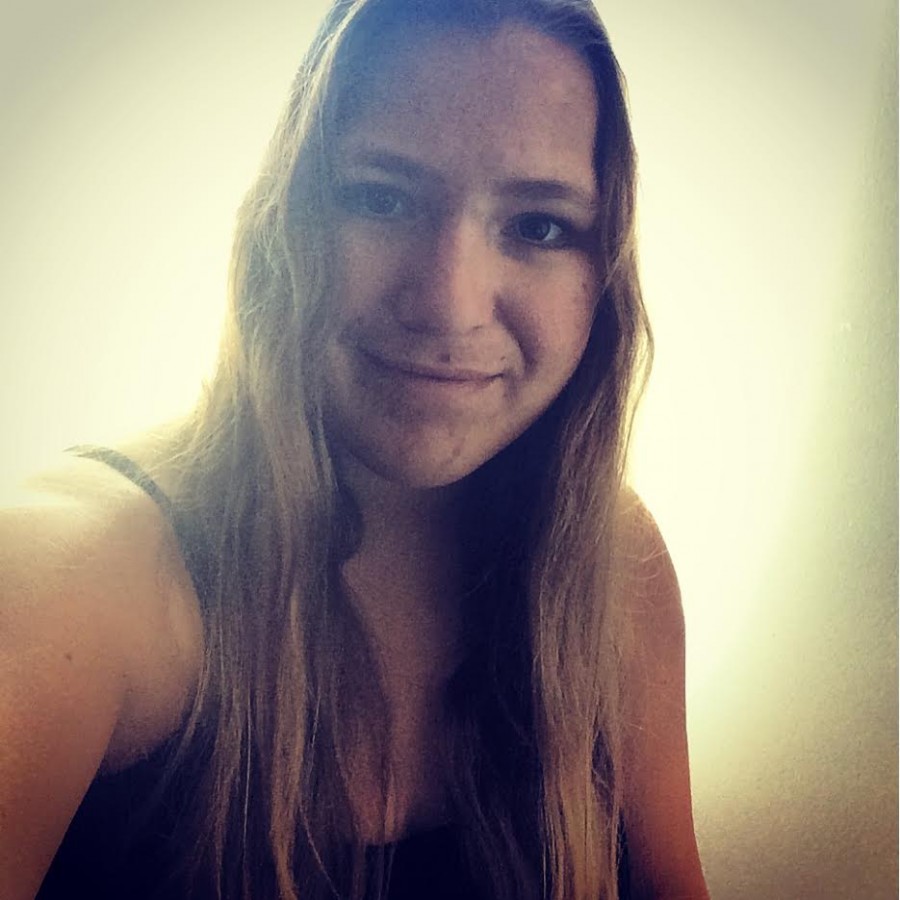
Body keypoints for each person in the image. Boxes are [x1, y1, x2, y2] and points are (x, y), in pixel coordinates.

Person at [0, 0, 709, 897]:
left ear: (602, 277)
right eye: (381, 198)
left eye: (537, 225)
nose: (450, 304)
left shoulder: (613, 563)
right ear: (281, 224)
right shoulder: (68, 581)